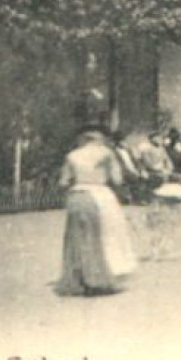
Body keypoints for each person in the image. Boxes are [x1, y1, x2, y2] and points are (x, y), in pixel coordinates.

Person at [56, 116, 138, 296]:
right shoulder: (107, 154)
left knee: (78, 238)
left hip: (77, 195)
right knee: (107, 237)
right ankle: (101, 278)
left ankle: (81, 278)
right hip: (101, 196)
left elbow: (63, 182)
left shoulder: (71, 156)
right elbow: (117, 179)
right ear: (99, 137)